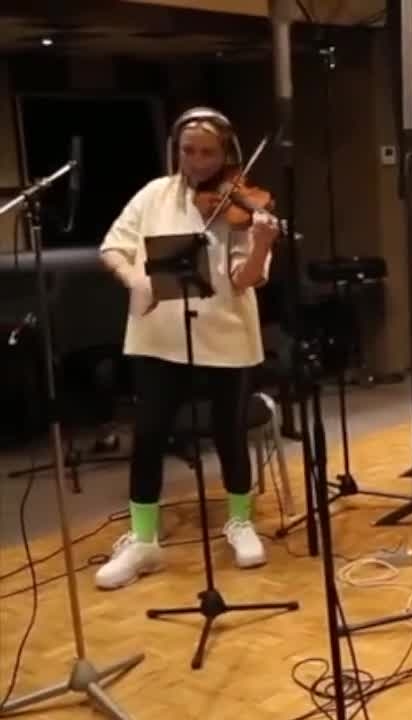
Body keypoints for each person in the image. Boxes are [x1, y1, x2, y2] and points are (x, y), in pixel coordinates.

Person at [94, 107, 279, 590]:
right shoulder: (154, 194)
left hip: (226, 332)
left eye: (208, 153)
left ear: (227, 153)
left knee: (229, 431)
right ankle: (143, 540)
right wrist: (135, 279)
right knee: (150, 433)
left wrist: (260, 243)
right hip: (159, 335)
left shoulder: (241, 206)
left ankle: (240, 522)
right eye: (188, 151)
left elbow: (244, 278)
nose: (197, 162)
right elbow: (113, 246)